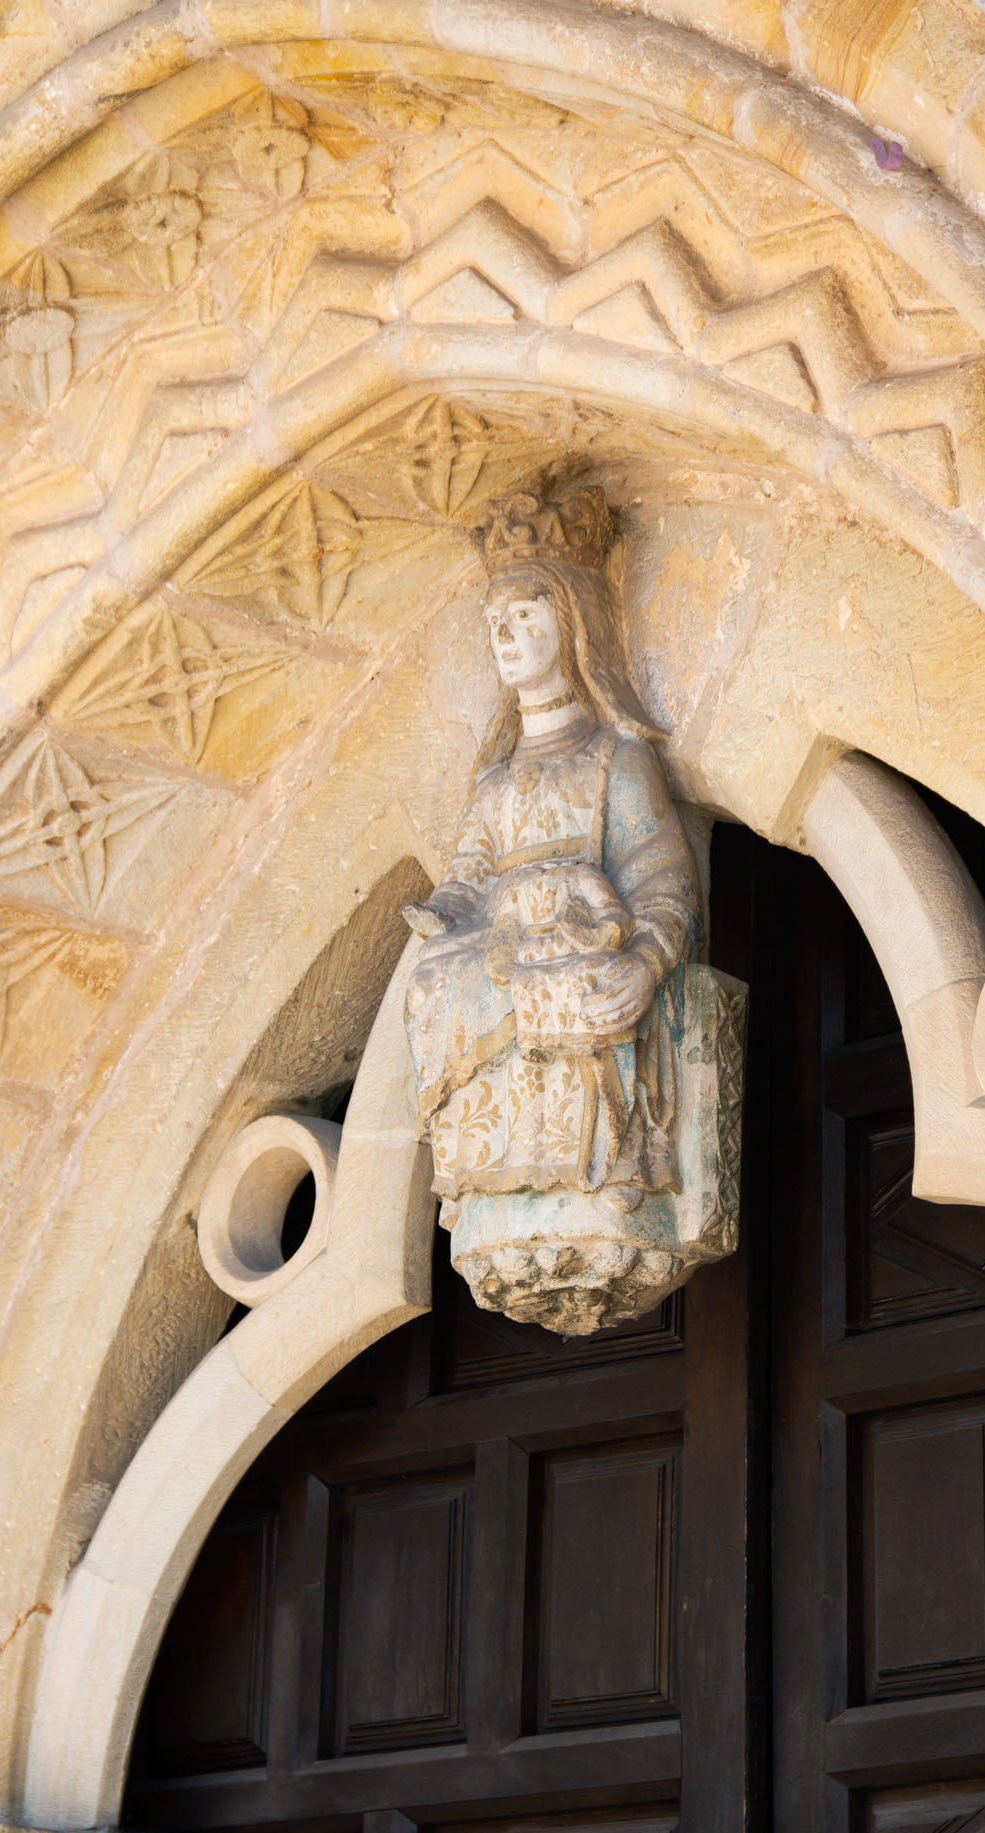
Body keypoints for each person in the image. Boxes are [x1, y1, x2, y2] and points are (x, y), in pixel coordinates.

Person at [403, 490, 705, 1327]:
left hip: (588, 927)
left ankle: (607, 1173)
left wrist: (645, 963)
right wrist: (442, 915)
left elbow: (660, 877)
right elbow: (466, 876)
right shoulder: (495, 782)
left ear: (570, 628)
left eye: (526, 616)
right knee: (434, 978)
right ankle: (477, 1181)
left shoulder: (615, 758)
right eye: (495, 621)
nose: (505, 637)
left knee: (585, 978)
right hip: (506, 937)